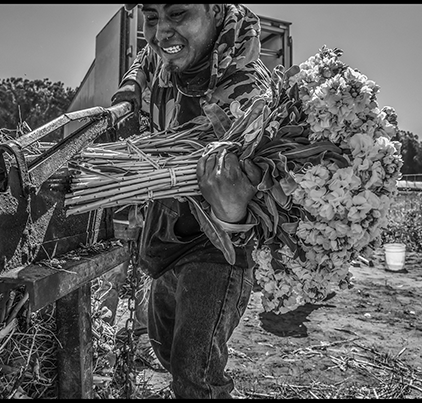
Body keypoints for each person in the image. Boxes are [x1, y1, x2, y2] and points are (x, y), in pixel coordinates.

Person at [110, 4, 271, 398]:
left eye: (179, 14)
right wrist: (131, 85)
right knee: (165, 348)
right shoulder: (169, 56)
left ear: (215, 11)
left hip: (218, 248)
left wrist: (232, 211)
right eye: (151, 18)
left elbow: (272, 198)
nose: (161, 31)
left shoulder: (251, 93)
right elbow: (146, 56)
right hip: (166, 240)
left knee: (194, 373)